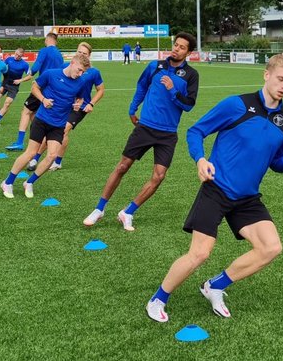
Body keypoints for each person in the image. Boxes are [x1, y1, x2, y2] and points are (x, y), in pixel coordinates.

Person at [146, 53, 283, 324]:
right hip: (216, 188)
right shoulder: (237, 105)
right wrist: (200, 159)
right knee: (200, 253)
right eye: (280, 78)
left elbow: (276, 164)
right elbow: (195, 131)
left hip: (247, 198)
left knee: (271, 247)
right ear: (266, 75)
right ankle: (158, 298)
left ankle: (215, 285)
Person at [83, 32, 198, 231]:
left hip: (168, 134)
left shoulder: (191, 75)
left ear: (189, 52)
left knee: (159, 176)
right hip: (145, 127)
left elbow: (188, 105)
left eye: (181, 47)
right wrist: (132, 108)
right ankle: (99, 208)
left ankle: (128, 211)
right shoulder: (155, 66)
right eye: (176, 45)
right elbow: (141, 87)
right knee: (122, 167)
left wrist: (172, 89)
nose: (176, 49)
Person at [0, 52, 90, 199]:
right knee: (30, 153)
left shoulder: (81, 81)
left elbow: (80, 97)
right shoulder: (50, 74)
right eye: (79, 70)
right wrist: (43, 99)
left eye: (83, 72)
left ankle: (29, 182)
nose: (80, 74)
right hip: (41, 120)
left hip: (59, 125)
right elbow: (34, 87)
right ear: (72, 62)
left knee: (52, 156)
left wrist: (78, 104)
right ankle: (8, 182)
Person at [5, 31, 65, 150]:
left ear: (47, 40)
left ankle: (19, 142)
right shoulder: (59, 54)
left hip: (42, 87)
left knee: (26, 111)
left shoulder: (44, 50)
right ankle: (40, 141)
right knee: (35, 114)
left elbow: (36, 67)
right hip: (54, 88)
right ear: (56, 41)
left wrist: (30, 74)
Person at [0, 47, 31, 127]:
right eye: (16, 54)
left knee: (7, 103)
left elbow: (29, 76)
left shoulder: (24, 64)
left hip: (14, 87)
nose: (17, 56)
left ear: (22, 56)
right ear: (15, 52)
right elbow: (1, 66)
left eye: (19, 56)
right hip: (4, 83)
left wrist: (20, 80)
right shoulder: (9, 59)